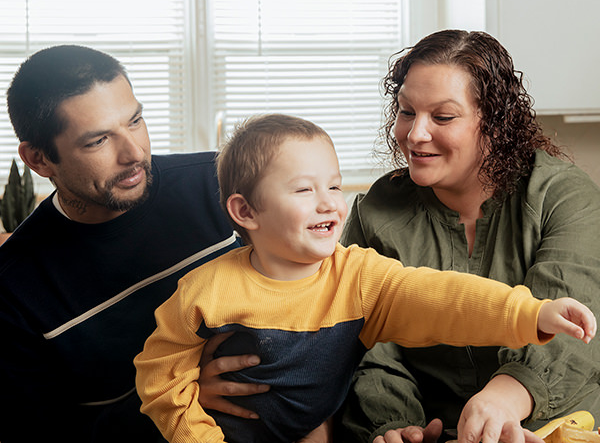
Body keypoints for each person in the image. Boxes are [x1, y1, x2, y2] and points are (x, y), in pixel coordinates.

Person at [133, 113, 596, 443]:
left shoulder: (357, 275)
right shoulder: (205, 292)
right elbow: (160, 379)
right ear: (246, 211)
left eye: (334, 185)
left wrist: (530, 312)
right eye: (302, 189)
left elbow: (440, 298)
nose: (328, 202)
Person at [337, 30, 600, 443]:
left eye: (442, 117)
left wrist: (505, 398)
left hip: (556, 428)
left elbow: (574, 328)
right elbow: (366, 343)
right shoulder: (376, 210)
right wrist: (393, 426)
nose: (416, 134)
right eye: (407, 112)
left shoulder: (563, 196)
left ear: (494, 123)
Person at [0, 45, 243, 443]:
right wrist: (179, 402)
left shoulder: (221, 183)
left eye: (135, 121)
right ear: (39, 160)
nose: (133, 154)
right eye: (98, 141)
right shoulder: (14, 289)